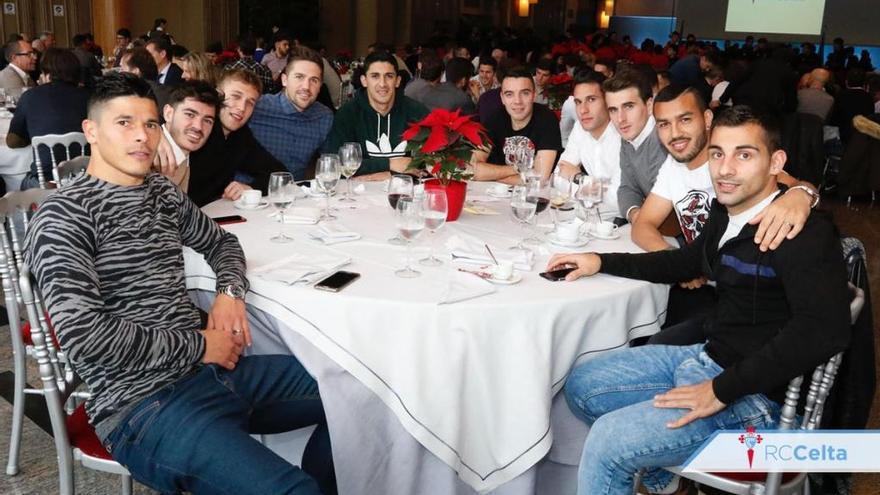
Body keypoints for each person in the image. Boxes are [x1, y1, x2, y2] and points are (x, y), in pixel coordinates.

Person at [24, 69, 335, 495]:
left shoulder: (160, 192)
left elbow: (223, 245)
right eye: (125, 123)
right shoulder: (65, 215)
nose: (143, 137)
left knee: (355, 394)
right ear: (91, 132)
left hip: (213, 373)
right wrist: (202, 344)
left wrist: (229, 294)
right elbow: (86, 337)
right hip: (143, 407)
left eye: (150, 124)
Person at [549, 105, 851, 495]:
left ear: (776, 162)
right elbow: (685, 261)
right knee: (582, 385)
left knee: (609, 440)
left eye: (744, 154)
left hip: (757, 398)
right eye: (717, 154)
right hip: (709, 356)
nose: (725, 169)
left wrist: (721, 389)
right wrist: (599, 261)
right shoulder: (727, 212)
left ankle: (655, 466)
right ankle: (666, 480)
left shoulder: (800, 232)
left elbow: (824, 331)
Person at [635, 84, 819, 336]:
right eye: (664, 124)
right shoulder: (674, 165)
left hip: (744, 300)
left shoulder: (730, 160)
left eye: (685, 120)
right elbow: (643, 224)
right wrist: (676, 262)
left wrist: (802, 195)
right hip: (705, 286)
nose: (675, 133)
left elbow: (797, 185)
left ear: (707, 118)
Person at [322, 50, 429, 178]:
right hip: (359, 194)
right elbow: (337, 164)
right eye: (375, 76)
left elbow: (433, 160)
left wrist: (373, 173)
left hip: (406, 191)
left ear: (397, 81)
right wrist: (389, 164)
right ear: (364, 81)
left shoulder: (417, 111)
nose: (382, 84)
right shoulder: (347, 114)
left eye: (389, 76)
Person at [189, 69, 286, 206]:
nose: (242, 108)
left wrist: (251, 188)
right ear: (218, 94)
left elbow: (279, 174)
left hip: (213, 215)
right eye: (236, 96)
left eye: (250, 103)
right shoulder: (197, 127)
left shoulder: (241, 136)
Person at [7, 48, 89, 190]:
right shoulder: (90, 97)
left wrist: (31, 134)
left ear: (47, 74)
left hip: (45, 182)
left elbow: (12, 141)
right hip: (87, 177)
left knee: (18, 182)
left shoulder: (30, 97)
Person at [249, 46, 334, 179]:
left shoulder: (324, 117)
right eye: (299, 77)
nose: (306, 87)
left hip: (294, 195)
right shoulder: (257, 107)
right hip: (249, 193)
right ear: (284, 80)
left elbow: (330, 165)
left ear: (320, 86)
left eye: (314, 80)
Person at [471, 67, 562, 184]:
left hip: (531, 197)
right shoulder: (494, 118)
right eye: (509, 94)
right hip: (495, 195)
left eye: (525, 93)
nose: (517, 101)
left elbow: (539, 178)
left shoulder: (547, 119)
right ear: (502, 98)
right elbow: (473, 169)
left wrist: (491, 175)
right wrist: (517, 169)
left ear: (534, 96)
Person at [556, 69, 622, 221]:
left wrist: (578, 177)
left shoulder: (623, 133)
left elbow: (619, 200)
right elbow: (558, 176)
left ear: (608, 101)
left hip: (622, 225)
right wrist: (597, 190)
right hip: (588, 217)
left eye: (591, 100)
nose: (583, 110)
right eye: (578, 102)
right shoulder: (581, 127)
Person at [603, 71, 668, 222]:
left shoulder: (661, 140)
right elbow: (627, 188)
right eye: (613, 110)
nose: (620, 119)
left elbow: (666, 207)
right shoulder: (629, 138)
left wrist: (642, 220)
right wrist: (634, 214)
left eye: (629, 106)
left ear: (649, 105)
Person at [157, 81, 218, 191]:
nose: (198, 127)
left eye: (207, 121)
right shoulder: (148, 152)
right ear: (168, 114)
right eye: (190, 115)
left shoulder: (186, 157)